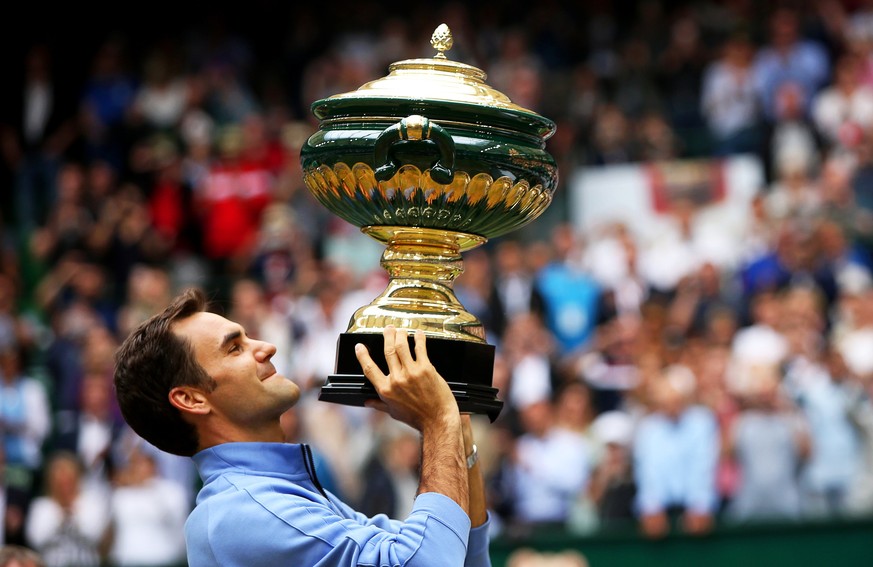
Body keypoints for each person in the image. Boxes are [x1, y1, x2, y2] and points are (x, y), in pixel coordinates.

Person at [113, 287, 491, 567]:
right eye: (235, 348)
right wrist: (437, 420)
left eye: (248, 337)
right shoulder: (244, 513)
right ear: (192, 399)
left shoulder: (279, 495)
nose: (266, 347)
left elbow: (458, 557)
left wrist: (456, 431)